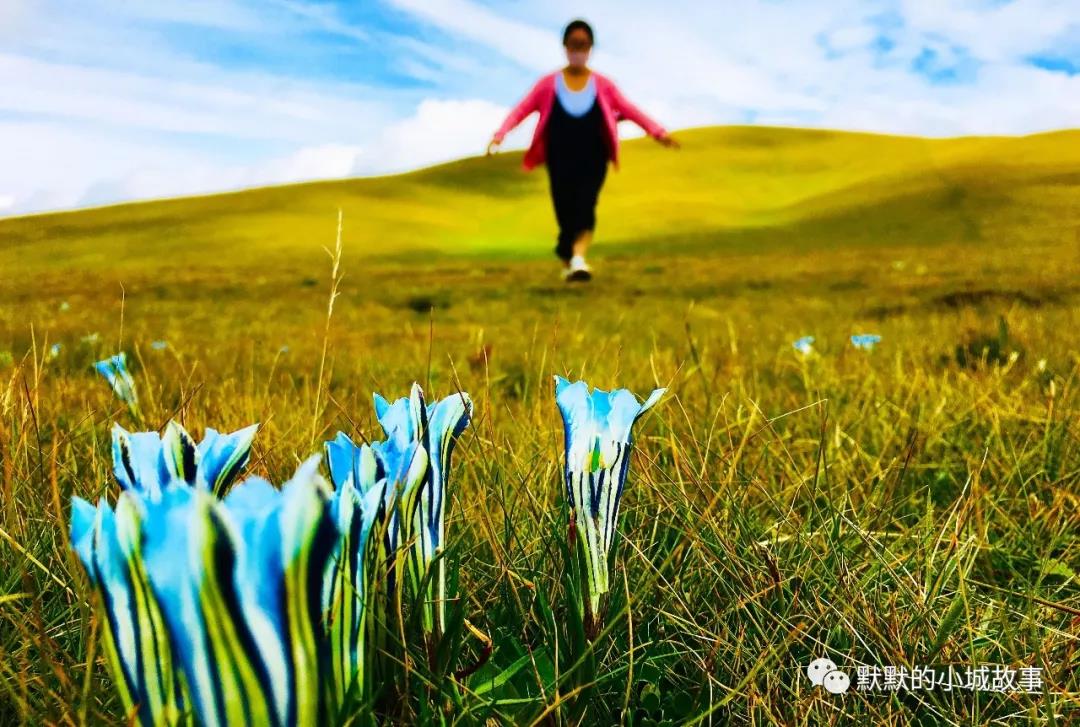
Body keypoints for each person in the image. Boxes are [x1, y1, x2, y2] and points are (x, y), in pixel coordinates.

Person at [487, 18, 679, 282]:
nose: (579, 50)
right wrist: (500, 136)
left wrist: (657, 132)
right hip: (559, 156)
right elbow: (522, 109)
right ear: (565, 46)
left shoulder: (603, 84)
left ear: (591, 48)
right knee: (565, 211)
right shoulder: (548, 84)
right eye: (574, 44)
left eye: (584, 45)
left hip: (593, 155)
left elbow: (629, 109)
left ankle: (578, 259)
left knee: (586, 204)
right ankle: (568, 255)